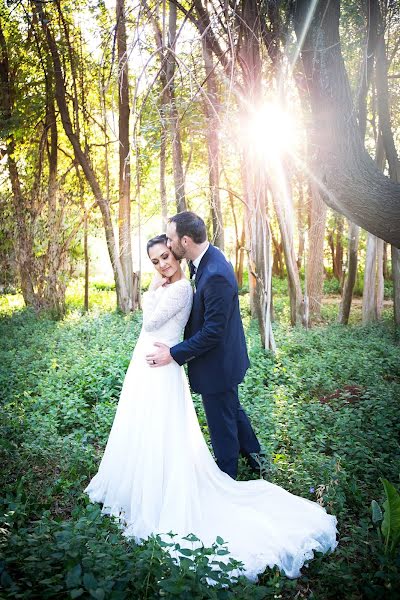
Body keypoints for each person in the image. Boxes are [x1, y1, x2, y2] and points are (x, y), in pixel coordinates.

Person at [85, 232, 337, 581]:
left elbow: (150, 321)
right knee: (147, 424)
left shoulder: (180, 289)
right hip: (150, 365)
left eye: (166, 256)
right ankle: (248, 456)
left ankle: (225, 469)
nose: (163, 264)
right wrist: (155, 288)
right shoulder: (180, 279)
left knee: (174, 425)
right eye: (156, 261)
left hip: (164, 366)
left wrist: (153, 290)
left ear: (178, 249)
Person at [146, 211, 260, 479]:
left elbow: (212, 332)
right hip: (224, 358)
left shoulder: (215, 274)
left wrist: (173, 354)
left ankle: (227, 477)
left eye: (172, 240)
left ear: (185, 241)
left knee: (221, 424)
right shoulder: (208, 258)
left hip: (217, 363)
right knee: (231, 409)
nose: (169, 244)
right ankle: (258, 460)